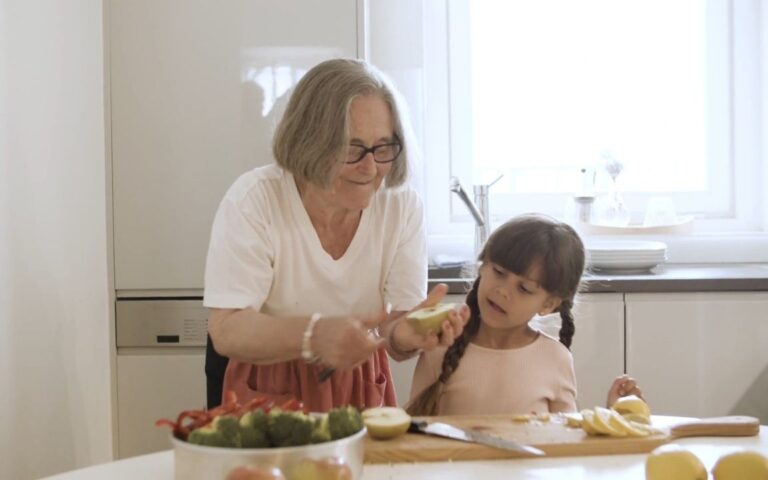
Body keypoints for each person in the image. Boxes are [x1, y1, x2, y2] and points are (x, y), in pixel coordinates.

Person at [204, 58, 469, 413]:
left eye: (383, 147)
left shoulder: (401, 205)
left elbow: (394, 332)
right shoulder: (255, 198)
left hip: (357, 379)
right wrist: (315, 335)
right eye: (351, 148)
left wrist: (409, 335)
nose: (370, 167)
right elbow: (226, 329)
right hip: (269, 378)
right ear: (310, 143)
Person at [407, 214, 642, 416]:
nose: (503, 291)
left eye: (524, 288)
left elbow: (568, 441)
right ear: (483, 266)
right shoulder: (439, 348)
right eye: (499, 272)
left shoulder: (555, 358)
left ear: (548, 304)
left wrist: (615, 416)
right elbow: (415, 437)